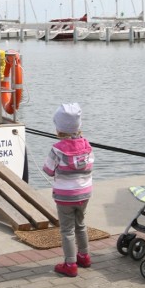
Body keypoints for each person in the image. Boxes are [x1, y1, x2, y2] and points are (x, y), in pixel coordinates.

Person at [43, 103, 94, 277]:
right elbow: (90, 166)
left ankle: (70, 263)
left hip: (65, 196)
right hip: (84, 193)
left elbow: (48, 170)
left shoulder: (57, 149)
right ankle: (84, 256)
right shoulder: (86, 145)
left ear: (59, 128)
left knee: (67, 230)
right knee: (80, 225)